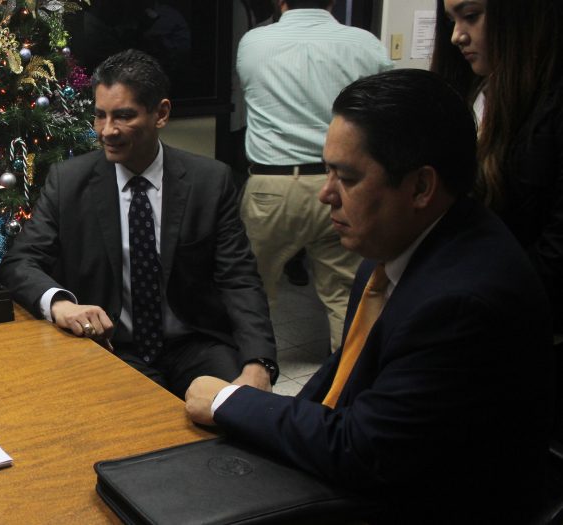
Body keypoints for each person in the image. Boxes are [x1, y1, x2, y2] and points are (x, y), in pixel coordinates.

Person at [185, 69, 554, 521]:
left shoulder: (462, 301)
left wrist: (230, 402)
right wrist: (263, 418)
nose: (326, 195)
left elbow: (365, 450)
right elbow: (339, 376)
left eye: (347, 178)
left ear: (421, 187)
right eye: (327, 171)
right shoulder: (394, 247)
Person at [2, 49, 277, 399]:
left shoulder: (209, 181)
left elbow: (239, 279)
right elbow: (21, 261)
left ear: (161, 113)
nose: (107, 131)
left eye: (123, 116)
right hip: (114, 345)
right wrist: (61, 305)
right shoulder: (68, 182)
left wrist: (258, 362)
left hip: (195, 343)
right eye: (100, 116)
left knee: (242, 410)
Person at [236, 0, 392, 353]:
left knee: (251, 290)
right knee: (347, 295)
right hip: (344, 184)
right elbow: (385, 109)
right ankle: (350, 380)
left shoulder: (254, 42)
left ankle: (252, 373)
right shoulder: (365, 44)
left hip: (273, 188)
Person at [431, 0, 563, 329]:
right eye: (452, 21)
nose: (457, 36)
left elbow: (554, 252)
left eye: (471, 16)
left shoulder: (548, 110)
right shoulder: (478, 90)